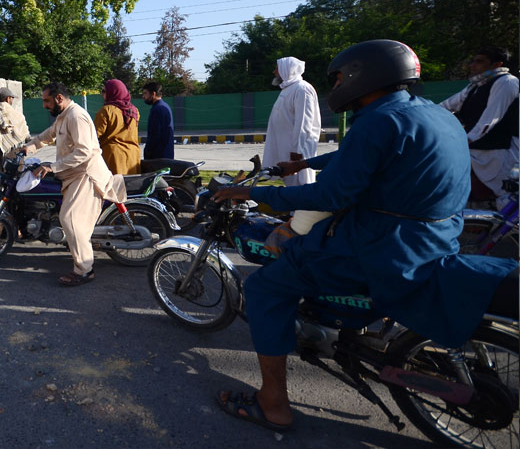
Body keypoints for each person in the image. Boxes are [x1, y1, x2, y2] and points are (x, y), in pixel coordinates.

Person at [211, 40, 515, 432]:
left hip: (383, 246)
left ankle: (272, 404)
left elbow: (331, 194)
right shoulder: (430, 114)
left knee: (265, 288)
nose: (336, 86)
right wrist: (305, 163)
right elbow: (360, 156)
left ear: (362, 75)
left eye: (338, 78)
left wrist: (254, 193)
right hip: (435, 239)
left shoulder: (376, 120)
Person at [24, 82, 127, 286]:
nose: (44, 105)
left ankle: (84, 270)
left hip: (86, 176)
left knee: (71, 219)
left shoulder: (76, 116)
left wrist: (52, 166)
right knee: (67, 217)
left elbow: (84, 152)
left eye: (47, 101)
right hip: (73, 176)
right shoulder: (63, 117)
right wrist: (26, 148)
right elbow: (47, 135)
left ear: (59, 98)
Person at [439, 46, 519, 209]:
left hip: (502, 149)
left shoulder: (506, 82)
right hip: (478, 147)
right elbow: (447, 105)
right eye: (473, 61)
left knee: (506, 197)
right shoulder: (474, 87)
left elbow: (491, 119)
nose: (473, 65)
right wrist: (422, 113)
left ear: (497, 65)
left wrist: (466, 139)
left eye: (480, 62)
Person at [263, 56, 321, 186]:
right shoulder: (289, 89)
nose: (274, 72)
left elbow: (304, 124)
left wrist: (297, 153)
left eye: (277, 68)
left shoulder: (302, 89)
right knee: (291, 185)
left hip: (297, 152)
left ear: (287, 69)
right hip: (286, 148)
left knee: (301, 184)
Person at [94, 79, 141, 175]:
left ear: (113, 92)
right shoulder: (135, 110)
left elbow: (94, 135)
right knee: (131, 187)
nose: (101, 95)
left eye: (103, 91)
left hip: (113, 157)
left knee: (114, 188)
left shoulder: (106, 110)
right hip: (133, 155)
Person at [142, 82, 174, 160]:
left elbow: (155, 135)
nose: (143, 96)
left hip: (158, 156)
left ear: (153, 94)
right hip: (166, 154)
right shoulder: (164, 106)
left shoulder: (158, 109)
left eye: (145, 93)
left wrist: (148, 152)